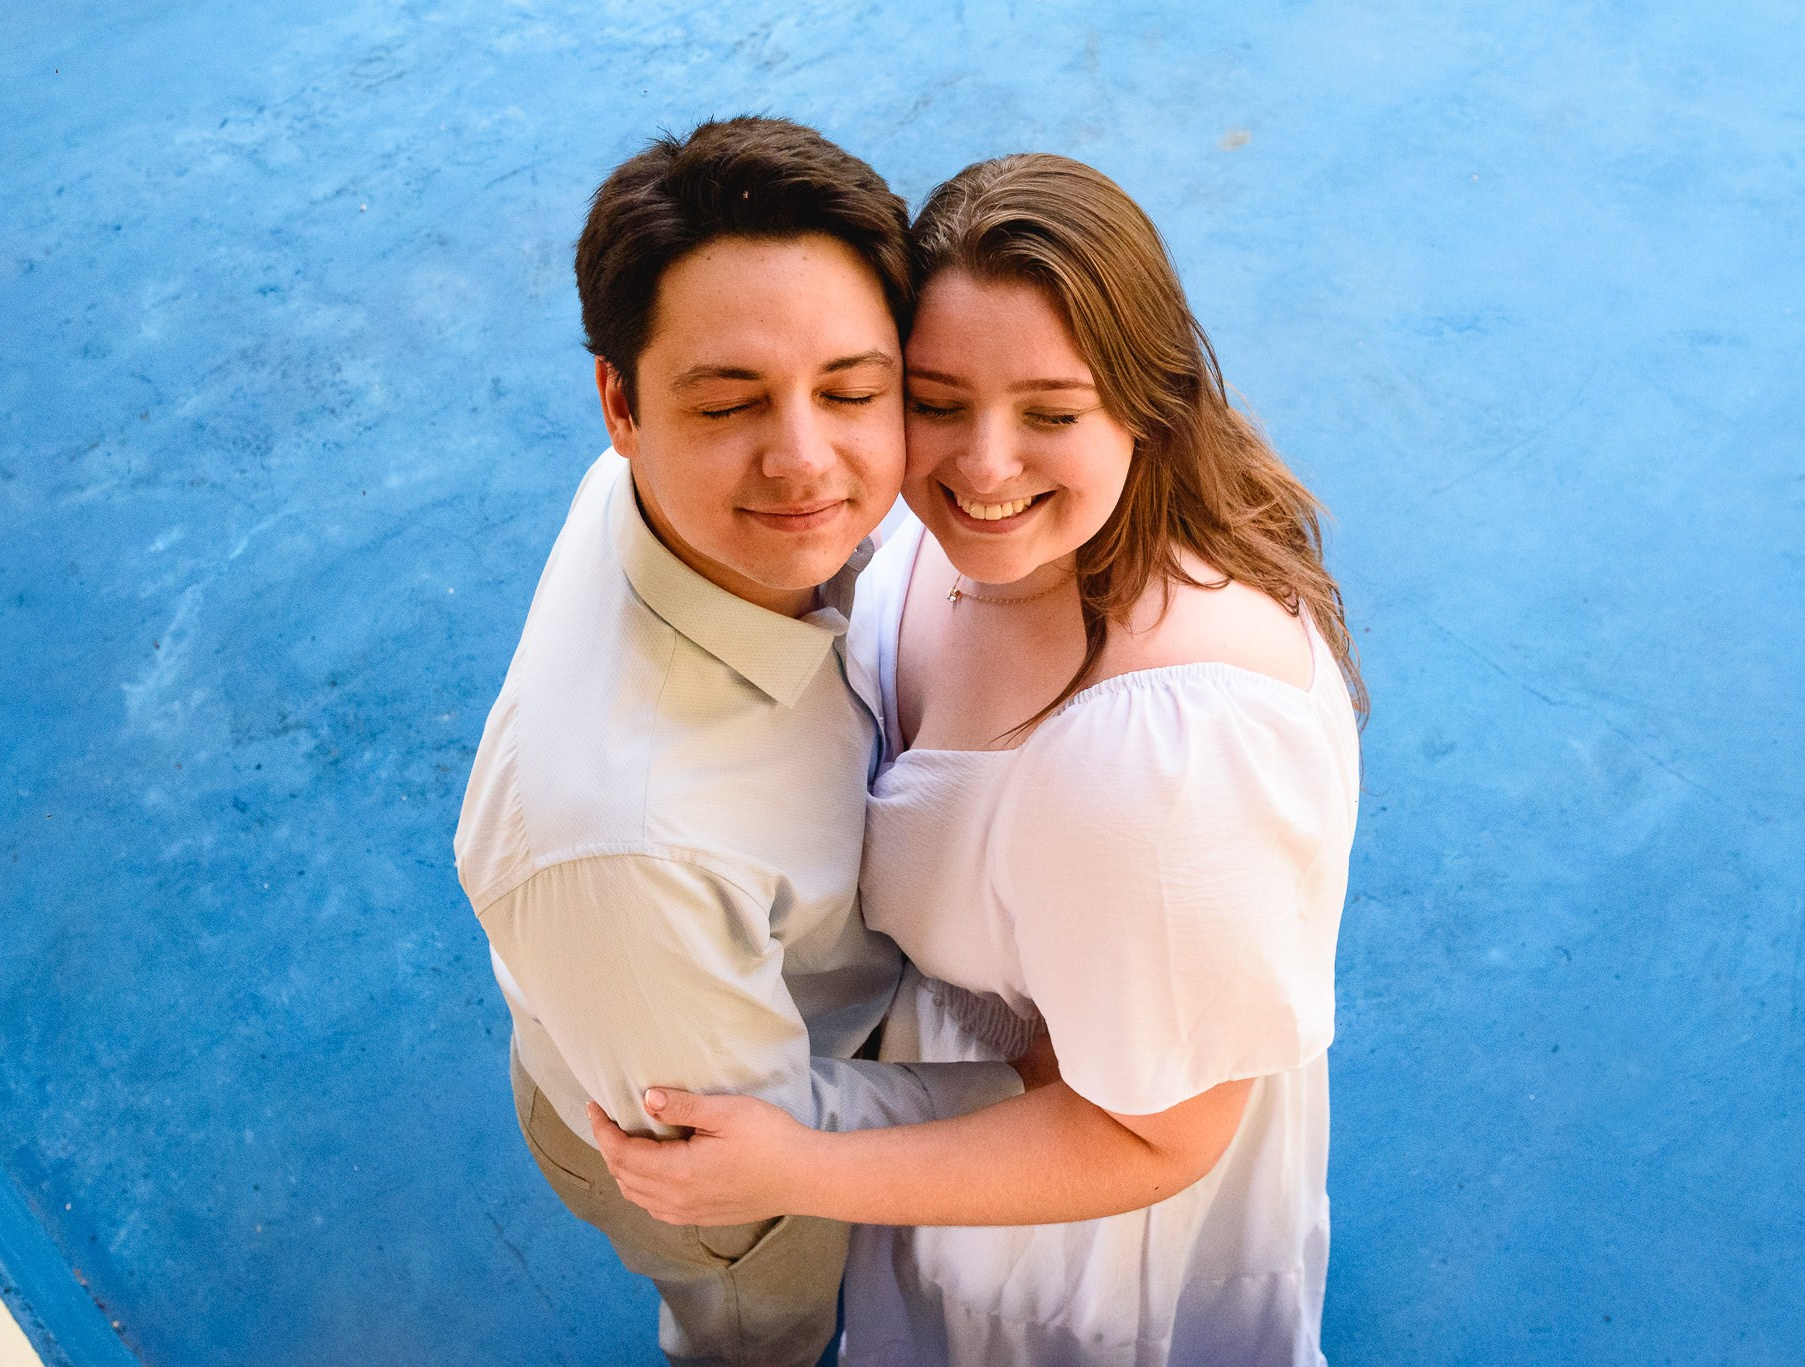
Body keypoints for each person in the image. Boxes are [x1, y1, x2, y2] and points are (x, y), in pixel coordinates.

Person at [589, 153, 1367, 1366]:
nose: (982, 469)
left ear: (1145, 407)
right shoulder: (949, 536)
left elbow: (1153, 1135)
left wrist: (799, 1167)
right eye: (937, 401)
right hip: (961, 1110)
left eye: (1050, 414)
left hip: (1075, 1229)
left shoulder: (1168, 759)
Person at [451, 118, 1033, 1367]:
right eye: (728, 403)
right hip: (706, 1147)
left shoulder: (669, 495)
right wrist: (1053, 1096)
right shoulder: (629, 847)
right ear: (620, 404)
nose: (805, 461)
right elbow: (745, 1145)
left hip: (692, 998)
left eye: (853, 390)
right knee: (758, 1322)